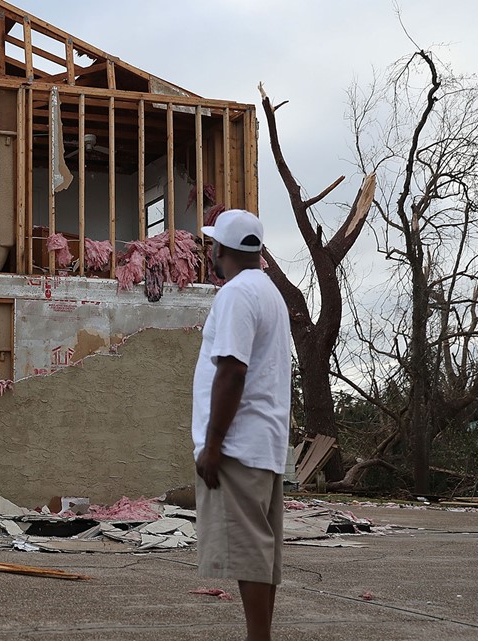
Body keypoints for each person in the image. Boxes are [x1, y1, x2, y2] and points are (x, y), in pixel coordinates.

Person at [192, 210, 291, 641]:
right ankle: (261, 635)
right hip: (265, 443)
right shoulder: (269, 292)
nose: (210, 253)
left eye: (213, 245)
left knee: (249, 551)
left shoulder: (235, 294)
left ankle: (258, 638)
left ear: (222, 250)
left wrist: (212, 444)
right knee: (261, 550)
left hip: (238, 445)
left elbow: (232, 370)